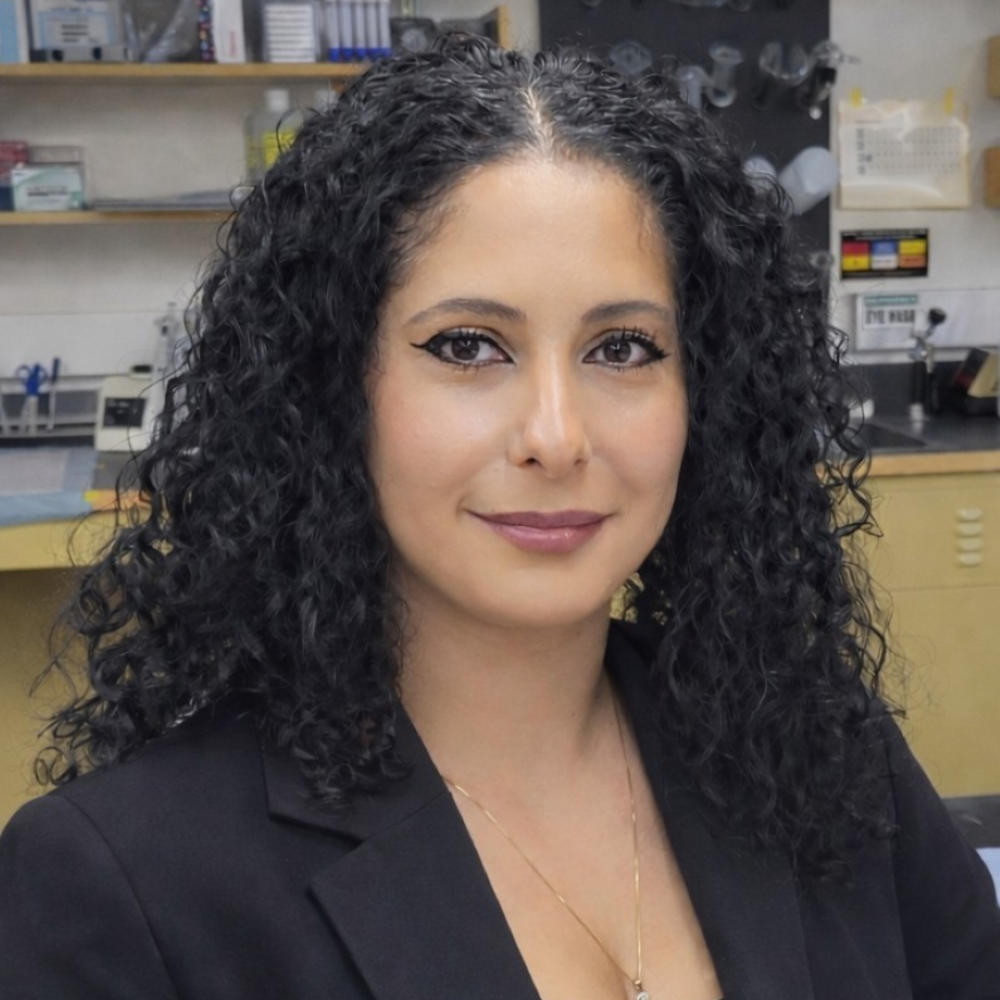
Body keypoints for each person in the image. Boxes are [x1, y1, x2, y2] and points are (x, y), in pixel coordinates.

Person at [1, 34, 998, 1000]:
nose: (556, 437)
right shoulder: (123, 883)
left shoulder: (820, 752)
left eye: (623, 349)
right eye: (468, 345)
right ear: (330, 388)